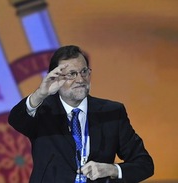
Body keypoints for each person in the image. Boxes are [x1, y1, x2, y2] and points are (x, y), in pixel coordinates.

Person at [8, 45, 154, 183]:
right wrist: (40, 94)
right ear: (55, 78)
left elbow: (144, 164)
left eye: (84, 72)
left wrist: (111, 169)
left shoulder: (112, 112)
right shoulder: (43, 112)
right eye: (72, 74)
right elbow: (16, 119)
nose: (80, 79)